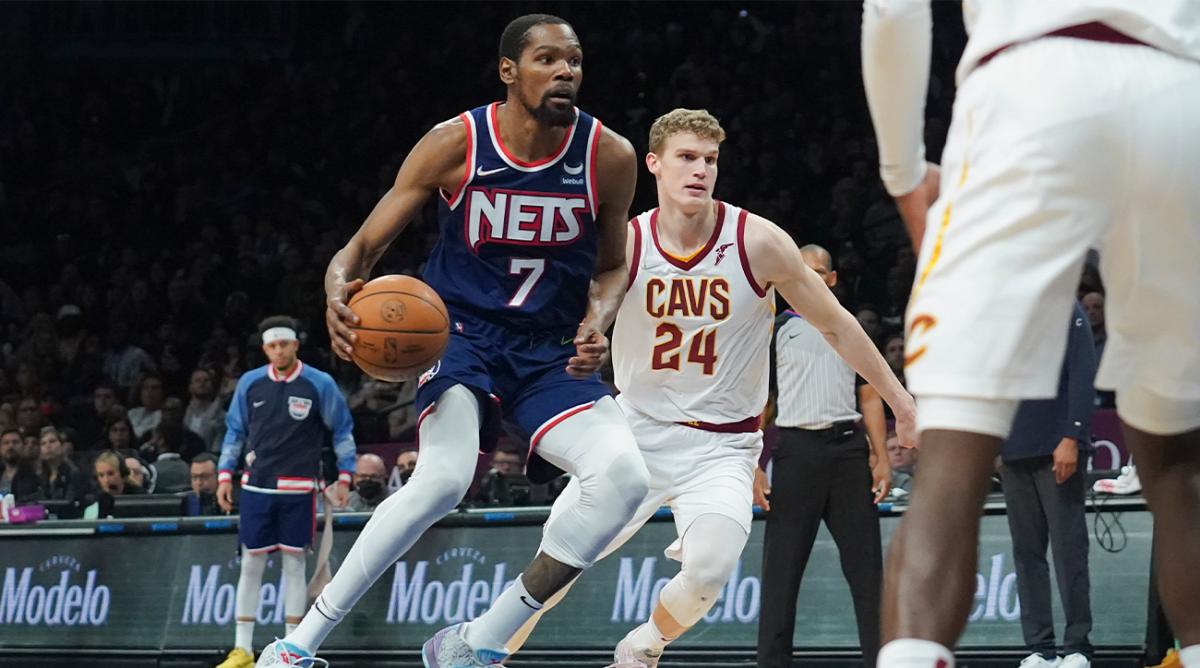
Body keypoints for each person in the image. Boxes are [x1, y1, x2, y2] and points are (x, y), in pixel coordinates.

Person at [256, 14, 644, 668]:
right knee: (442, 477)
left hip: (550, 349)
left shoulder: (609, 155)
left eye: (574, 61)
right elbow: (359, 249)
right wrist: (336, 295)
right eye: (547, 59)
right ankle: (297, 645)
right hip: (462, 336)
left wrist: (597, 321)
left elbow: (612, 266)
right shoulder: (455, 143)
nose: (565, 72)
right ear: (508, 71)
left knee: (625, 479)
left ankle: (477, 641)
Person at [503, 109, 915, 668]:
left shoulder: (759, 241)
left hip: (723, 446)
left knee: (707, 574)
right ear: (654, 164)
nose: (700, 170)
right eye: (686, 157)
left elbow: (837, 325)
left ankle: (644, 646)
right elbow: (576, 319)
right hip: (634, 432)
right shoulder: (626, 242)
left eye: (710, 159)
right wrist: (585, 340)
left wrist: (900, 402)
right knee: (556, 566)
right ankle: (484, 650)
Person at [861, 3, 1200, 667]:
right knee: (1180, 465)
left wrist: (903, 172)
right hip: (1177, 93)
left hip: (1026, 88)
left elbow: (894, 7)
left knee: (949, 469)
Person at [755, 244, 896, 668]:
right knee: (781, 573)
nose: (809, 279)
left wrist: (881, 456)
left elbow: (869, 395)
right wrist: (754, 464)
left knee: (868, 573)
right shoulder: (774, 328)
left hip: (848, 453)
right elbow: (758, 401)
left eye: (817, 272)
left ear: (832, 279)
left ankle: (883, 661)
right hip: (796, 452)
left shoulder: (851, 327)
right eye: (801, 272)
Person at [216, 316, 356, 668]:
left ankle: (292, 649)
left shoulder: (319, 383)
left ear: (296, 344)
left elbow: (342, 429)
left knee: (294, 567)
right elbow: (234, 432)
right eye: (272, 346)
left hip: (300, 488)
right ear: (265, 349)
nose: (278, 351)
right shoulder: (250, 383)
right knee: (250, 564)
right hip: (256, 485)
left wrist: (345, 475)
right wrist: (224, 475)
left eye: (284, 344)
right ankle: (243, 650)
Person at [1001, 303, 1097, 668]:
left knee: (1069, 549)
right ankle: (1040, 648)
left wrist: (1073, 435)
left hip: (1058, 445)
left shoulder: (1064, 304)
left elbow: (1083, 371)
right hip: (1014, 449)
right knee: (1027, 553)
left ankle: (1077, 646)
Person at [0, 427, 40, 502]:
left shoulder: (34, 472)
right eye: (6, 443)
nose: (10, 446)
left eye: (15, 442)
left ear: (23, 446)